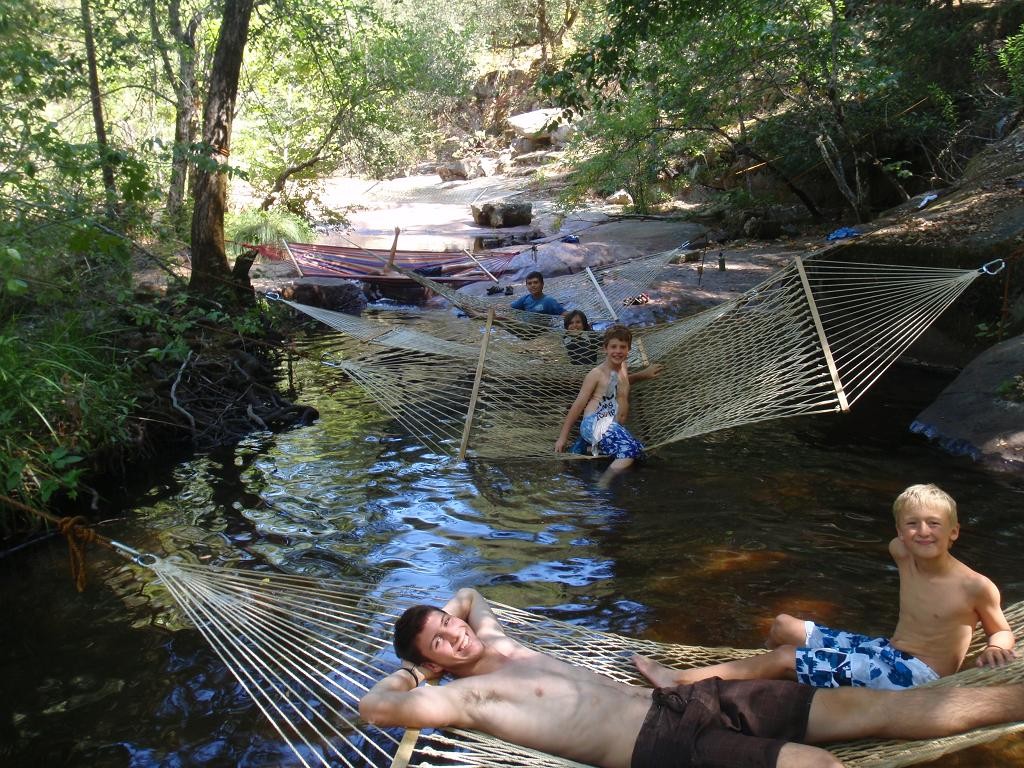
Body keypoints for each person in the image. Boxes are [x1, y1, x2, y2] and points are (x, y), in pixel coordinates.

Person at [360, 587, 1024, 768]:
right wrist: (418, 672)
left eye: (449, 627)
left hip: (687, 698)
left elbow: (471, 592)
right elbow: (376, 711)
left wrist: (441, 619)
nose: (456, 632)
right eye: (443, 640)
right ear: (437, 661)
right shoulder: (464, 695)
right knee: (817, 766)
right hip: (663, 747)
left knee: (862, 709)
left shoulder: (497, 641)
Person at [634, 483, 1017, 692]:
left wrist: (998, 648)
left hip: (917, 677)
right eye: (912, 524)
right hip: (888, 650)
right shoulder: (901, 552)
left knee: (786, 656)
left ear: (953, 532)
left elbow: (1000, 628)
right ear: (899, 532)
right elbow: (908, 536)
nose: (923, 531)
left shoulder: (973, 586)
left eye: (934, 524)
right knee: (785, 626)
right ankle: (765, 672)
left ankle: (679, 680)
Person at [555, 325, 657, 480]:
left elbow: (621, 383)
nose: (618, 351)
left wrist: (643, 375)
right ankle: (602, 486)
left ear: (629, 350)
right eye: (613, 347)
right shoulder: (596, 374)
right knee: (628, 451)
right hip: (594, 423)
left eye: (623, 347)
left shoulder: (622, 366)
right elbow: (578, 405)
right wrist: (562, 437)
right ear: (605, 349)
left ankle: (583, 454)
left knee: (641, 452)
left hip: (613, 427)